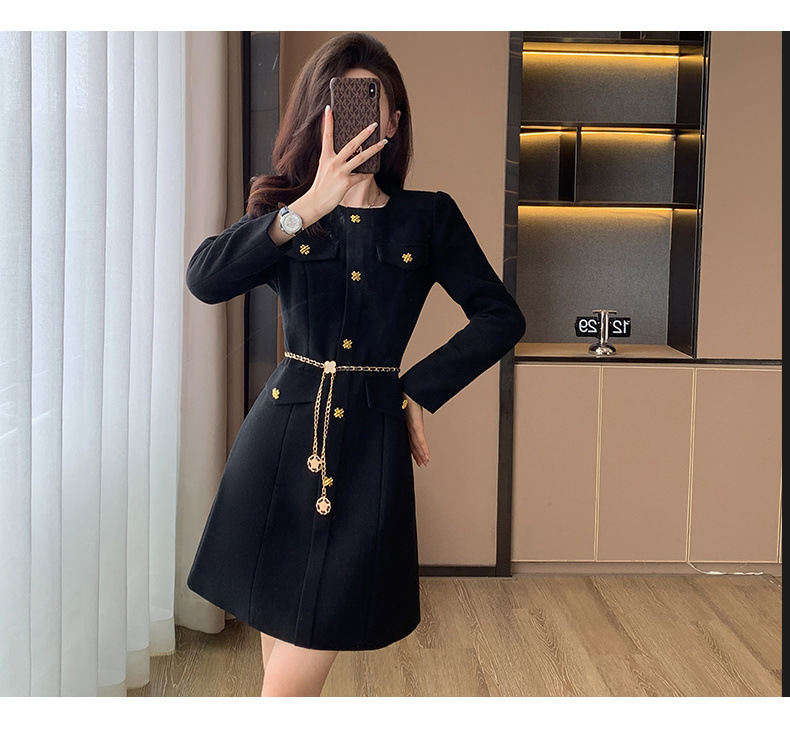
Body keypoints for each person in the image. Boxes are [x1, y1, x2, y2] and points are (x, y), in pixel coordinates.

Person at [185, 32, 526, 697]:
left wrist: (418, 391)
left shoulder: (428, 218)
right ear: (319, 117)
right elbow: (205, 279)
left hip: (369, 451)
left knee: (291, 678)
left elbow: (501, 317)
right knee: (281, 662)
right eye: (341, 104)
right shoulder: (284, 215)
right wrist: (309, 204)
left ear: (394, 120)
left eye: (374, 103)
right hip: (278, 443)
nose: (361, 120)